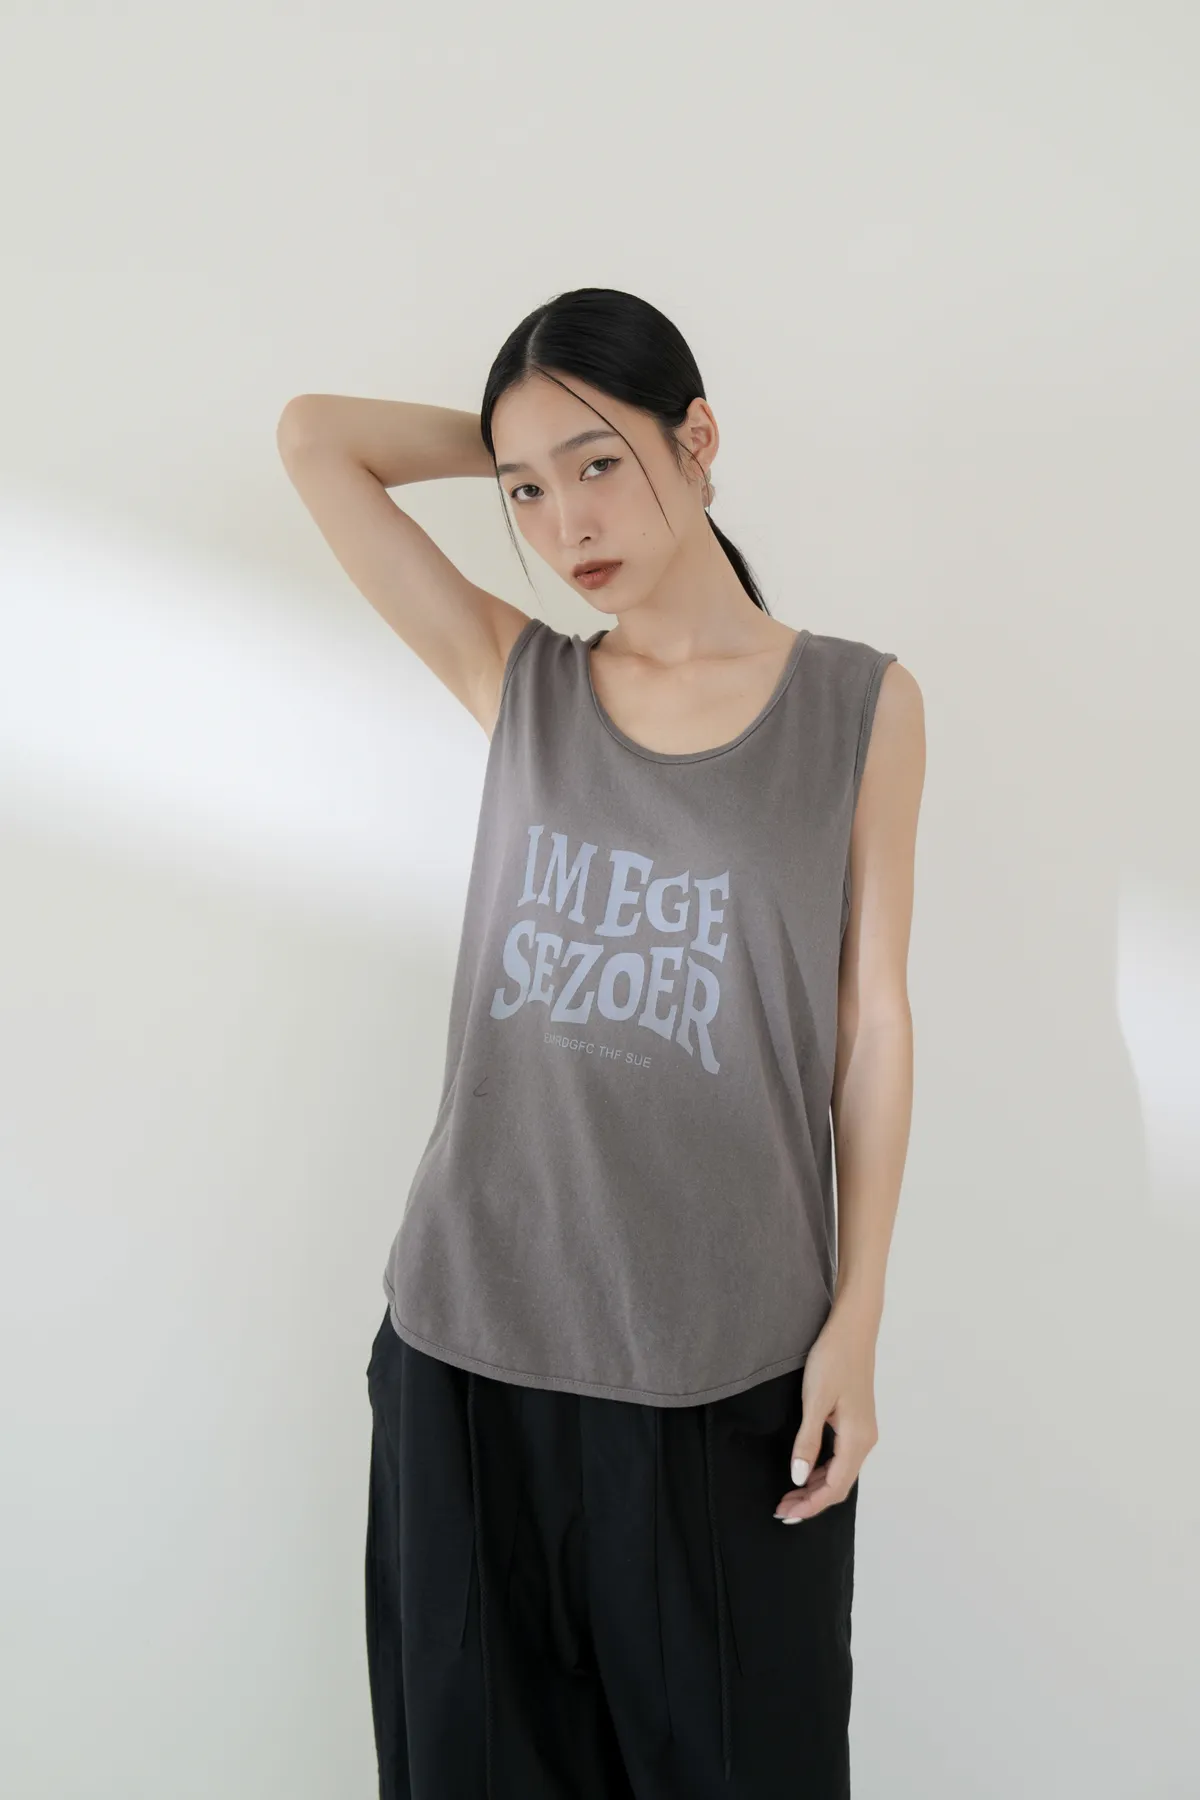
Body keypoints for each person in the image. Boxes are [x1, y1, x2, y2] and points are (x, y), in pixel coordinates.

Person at [277, 286, 925, 1799]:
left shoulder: (858, 706)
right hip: (469, 1358)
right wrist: (520, 432)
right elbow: (315, 441)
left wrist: (859, 1317)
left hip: (729, 1372)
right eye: (526, 492)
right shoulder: (526, 682)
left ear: (699, 441)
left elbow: (873, 1020)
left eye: (601, 466)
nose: (566, 522)